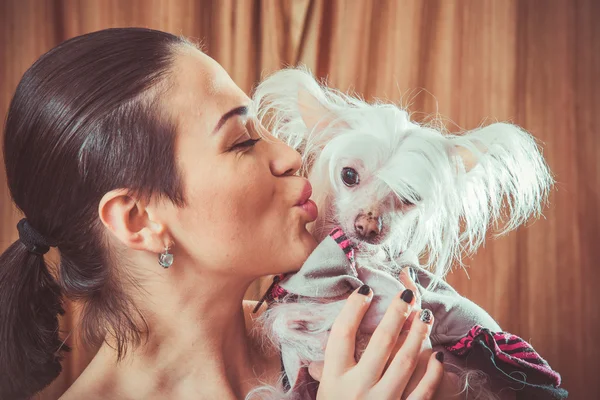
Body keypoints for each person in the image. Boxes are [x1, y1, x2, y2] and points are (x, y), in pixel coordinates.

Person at [0, 28, 449, 400]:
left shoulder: (358, 340)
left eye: (261, 126)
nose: (292, 156)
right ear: (138, 220)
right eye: (241, 140)